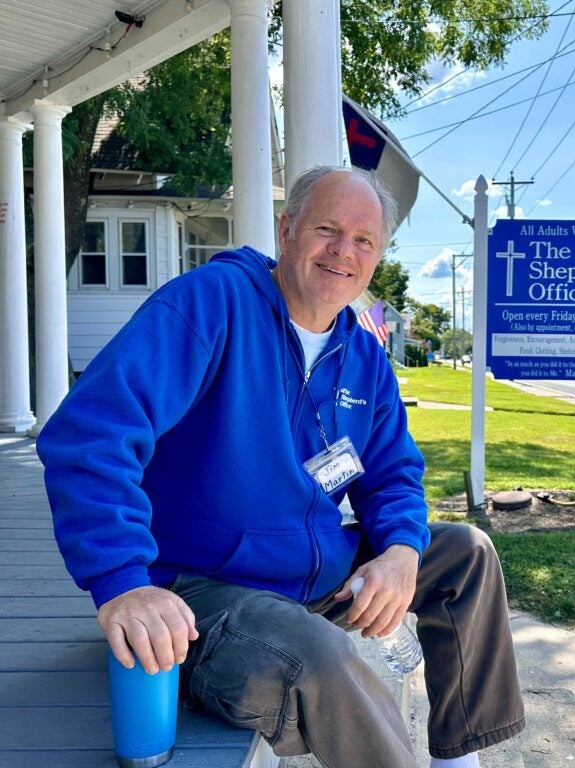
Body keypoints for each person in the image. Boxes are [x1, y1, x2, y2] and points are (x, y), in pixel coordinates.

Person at [37, 166, 525, 768]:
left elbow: (395, 472)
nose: (344, 251)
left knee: (466, 554)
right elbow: (90, 435)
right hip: (201, 597)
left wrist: (400, 552)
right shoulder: (210, 304)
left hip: (312, 578)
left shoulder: (364, 355)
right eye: (327, 229)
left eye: (365, 240)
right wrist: (124, 583)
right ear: (287, 228)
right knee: (315, 652)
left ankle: (458, 759)